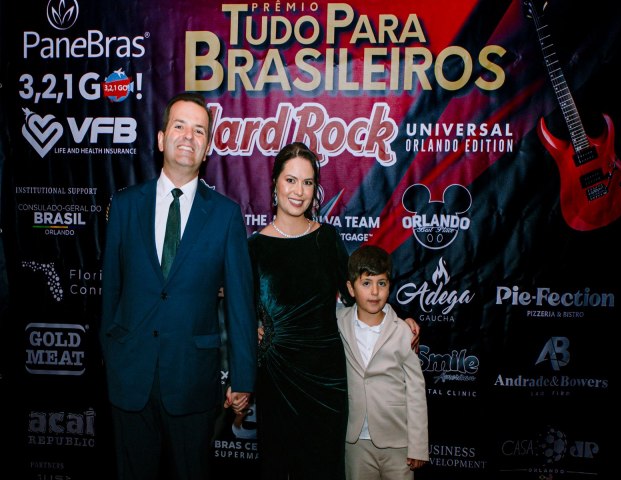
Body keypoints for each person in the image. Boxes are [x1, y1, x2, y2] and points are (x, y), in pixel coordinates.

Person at [100, 92, 257, 480]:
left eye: (199, 130)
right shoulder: (125, 206)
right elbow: (111, 293)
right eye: (180, 126)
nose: (189, 136)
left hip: (193, 380)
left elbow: (240, 303)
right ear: (161, 138)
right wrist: (112, 359)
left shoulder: (225, 215)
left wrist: (243, 376)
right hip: (130, 377)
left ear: (207, 148)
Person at [247, 142, 420, 479]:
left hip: (326, 379)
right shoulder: (254, 247)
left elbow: (359, 293)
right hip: (277, 378)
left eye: (308, 182)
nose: (299, 191)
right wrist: (250, 327)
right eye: (291, 180)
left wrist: (399, 321)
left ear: (315, 190)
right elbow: (240, 307)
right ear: (275, 183)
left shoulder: (326, 239)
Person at [338, 245, 429, 480]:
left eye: (381, 283)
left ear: (390, 286)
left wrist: (418, 445)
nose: (375, 292)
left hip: (398, 441)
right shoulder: (338, 322)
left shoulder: (404, 331)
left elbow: (416, 390)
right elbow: (303, 324)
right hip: (355, 441)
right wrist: (264, 328)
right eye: (366, 283)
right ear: (351, 288)